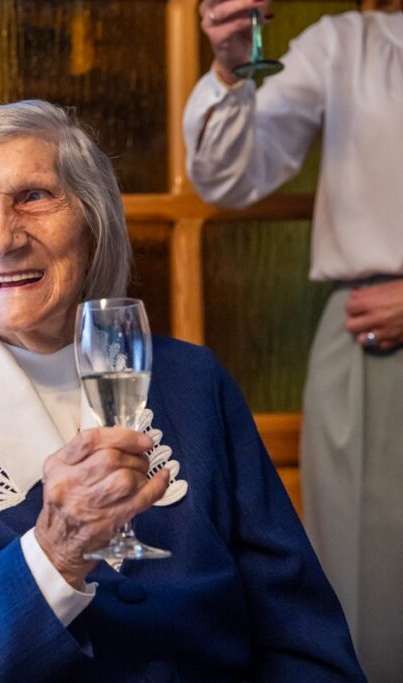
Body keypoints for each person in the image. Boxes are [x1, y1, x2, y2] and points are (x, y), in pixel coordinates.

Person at [0, 100, 363, 682]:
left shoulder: (195, 381)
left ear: (93, 222)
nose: (3, 237)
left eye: (34, 196)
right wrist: (53, 554)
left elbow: (301, 632)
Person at [183, 2, 402, 678]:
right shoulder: (346, 46)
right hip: (374, 354)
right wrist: (232, 64)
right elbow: (229, 173)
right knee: (373, 598)